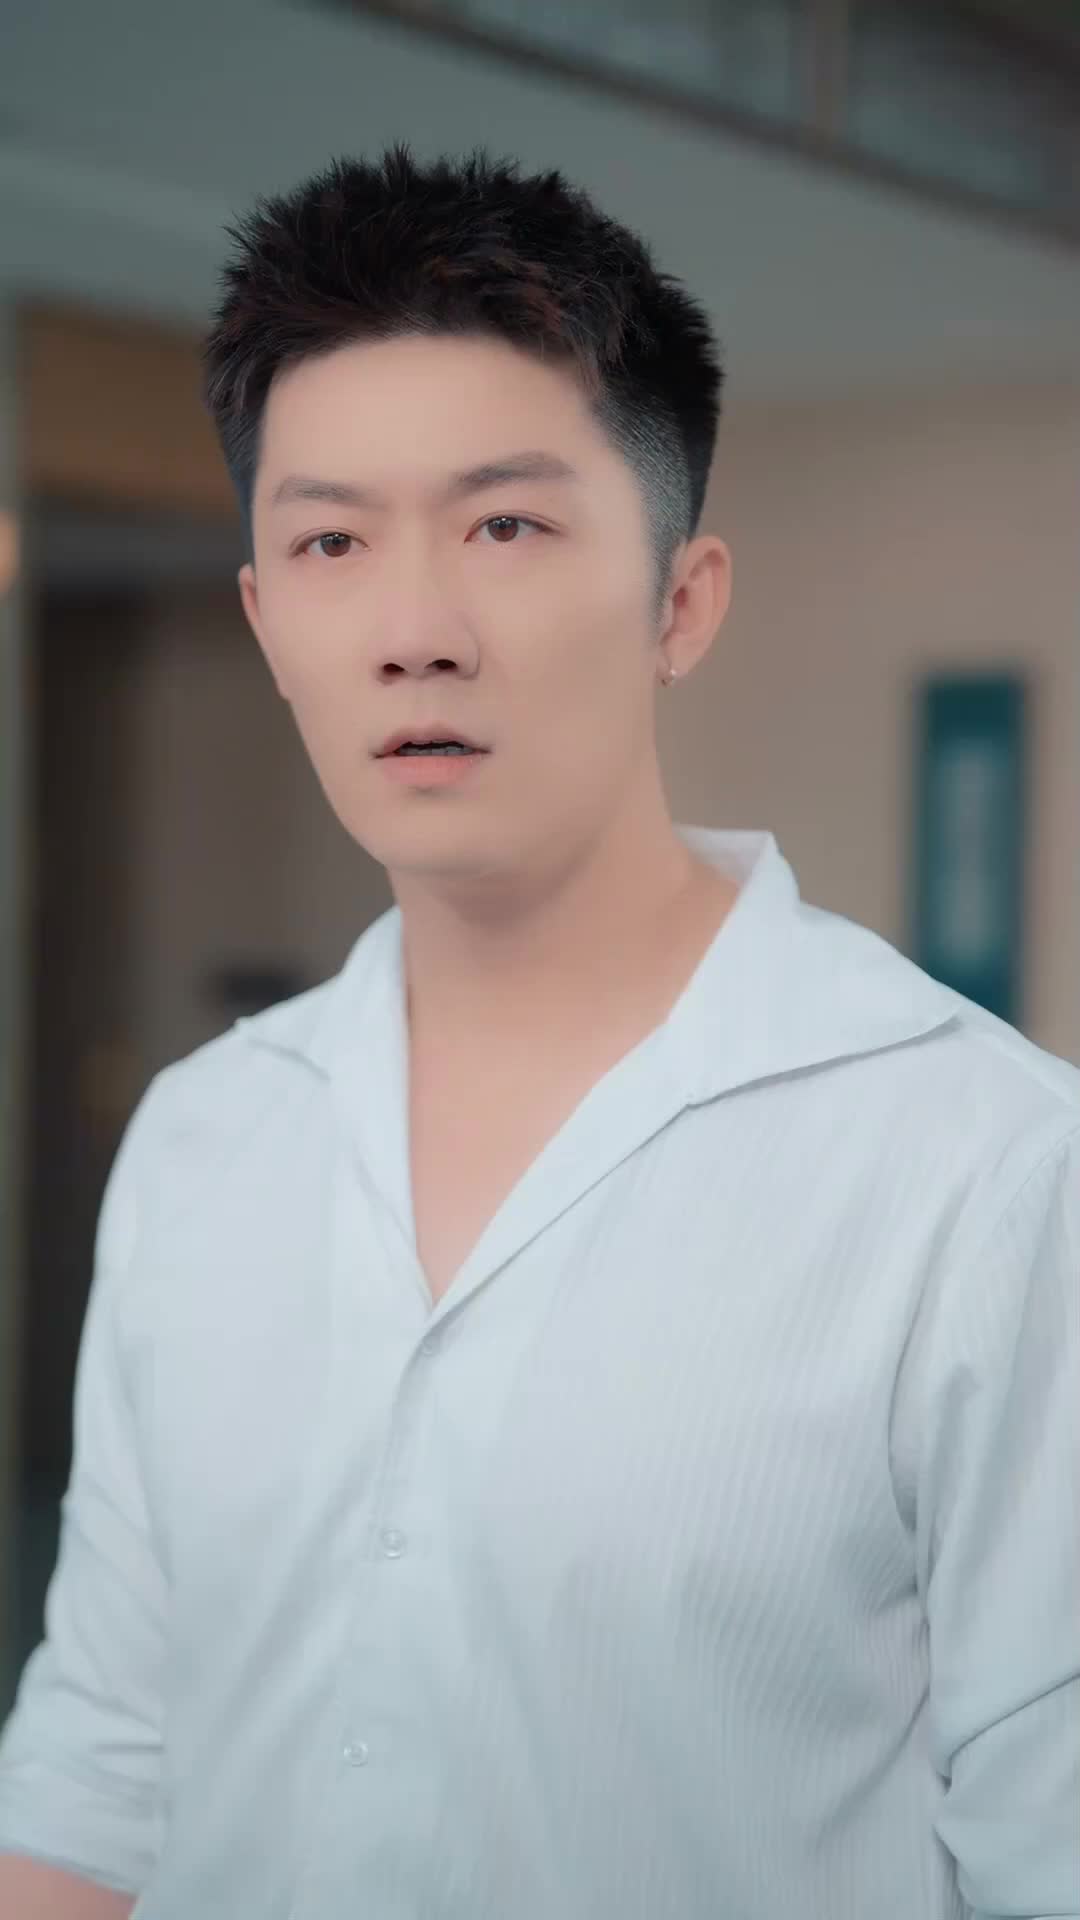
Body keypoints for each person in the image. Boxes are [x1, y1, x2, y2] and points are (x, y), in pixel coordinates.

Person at [0, 146, 1076, 1920]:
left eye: (505, 526)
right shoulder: (204, 1137)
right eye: (331, 542)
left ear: (680, 603)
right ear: (267, 619)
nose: (414, 632)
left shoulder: (991, 1172)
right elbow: (103, 1763)